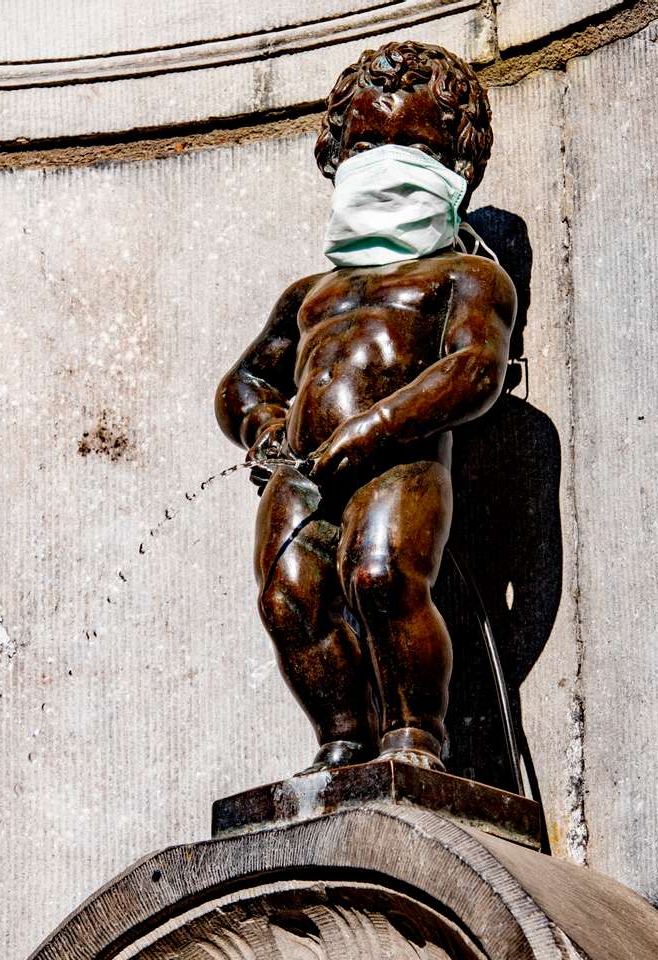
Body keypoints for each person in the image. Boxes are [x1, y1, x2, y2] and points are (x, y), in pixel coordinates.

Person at [214, 40, 516, 774]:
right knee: (289, 597)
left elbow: (475, 368)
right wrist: (262, 428)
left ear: (456, 168)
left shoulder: (466, 276)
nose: (386, 161)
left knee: (380, 576)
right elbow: (244, 381)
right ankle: (341, 739)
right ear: (336, 154)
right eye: (369, 143)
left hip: (398, 460)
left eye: (412, 144)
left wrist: (376, 428)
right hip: (302, 469)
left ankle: (415, 735)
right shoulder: (309, 294)